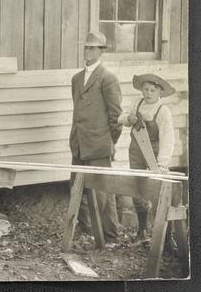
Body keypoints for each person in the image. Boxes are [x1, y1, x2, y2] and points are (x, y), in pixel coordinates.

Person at [69, 31, 122, 244]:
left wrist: (108, 142)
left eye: (92, 48)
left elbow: (116, 117)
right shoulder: (76, 79)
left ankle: (109, 236)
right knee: (77, 189)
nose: (87, 51)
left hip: (99, 145)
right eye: (86, 47)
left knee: (102, 192)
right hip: (79, 143)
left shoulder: (108, 78)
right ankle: (88, 231)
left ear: (101, 51)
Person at [118, 74, 175, 241]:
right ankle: (142, 231)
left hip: (154, 154)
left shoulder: (162, 111)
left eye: (152, 90)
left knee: (159, 191)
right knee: (138, 189)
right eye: (146, 89)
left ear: (159, 93)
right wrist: (128, 118)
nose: (148, 93)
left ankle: (164, 236)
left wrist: (162, 164)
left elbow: (168, 139)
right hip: (135, 152)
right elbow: (121, 118)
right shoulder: (137, 103)